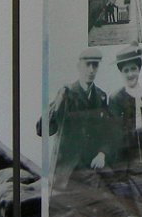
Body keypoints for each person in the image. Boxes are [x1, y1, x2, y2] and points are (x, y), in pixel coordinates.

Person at [40, 48, 111, 179]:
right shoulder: (66, 93)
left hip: (91, 167)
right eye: (87, 65)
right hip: (66, 170)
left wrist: (102, 153)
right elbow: (43, 130)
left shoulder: (101, 96)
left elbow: (106, 132)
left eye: (95, 65)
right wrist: (58, 101)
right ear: (79, 66)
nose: (91, 70)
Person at [106, 46, 142, 170]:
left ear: (139, 70)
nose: (130, 74)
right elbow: (117, 137)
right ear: (121, 72)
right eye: (126, 70)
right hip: (124, 159)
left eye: (133, 69)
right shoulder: (116, 98)